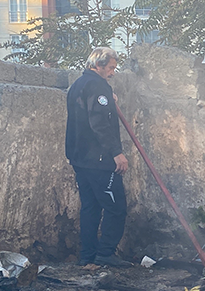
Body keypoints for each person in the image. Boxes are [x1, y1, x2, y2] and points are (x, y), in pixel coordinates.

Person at [65, 46, 132, 268]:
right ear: (99, 65)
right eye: (111, 68)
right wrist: (117, 153)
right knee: (116, 207)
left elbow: (88, 112)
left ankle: (88, 257)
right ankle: (105, 254)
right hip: (99, 160)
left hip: (80, 159)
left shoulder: (78, 85)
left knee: (90, 208)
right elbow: (99, 122)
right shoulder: (97, 86)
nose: (113, 72)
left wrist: (107, 99)